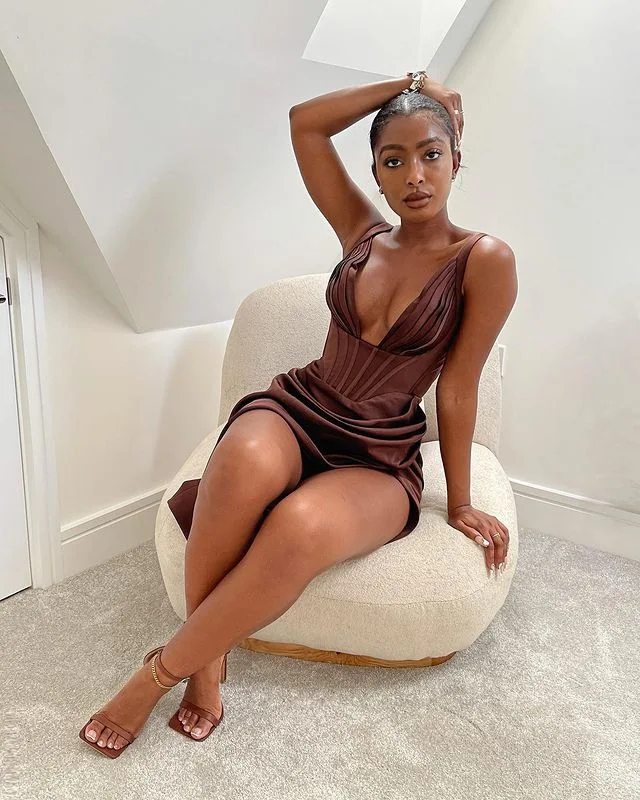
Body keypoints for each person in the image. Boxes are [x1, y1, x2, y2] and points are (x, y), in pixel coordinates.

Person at [79, 71, 518, 757]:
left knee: (299, 525)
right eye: (393, 160)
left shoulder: (484, 260)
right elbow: (304, 123)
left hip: (378, 453)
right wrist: (411, 81)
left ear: (456, 158)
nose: (414, 175)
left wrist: (459, 501)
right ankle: (209, 664)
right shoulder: (363, 234)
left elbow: (457, 388)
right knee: (240, 459)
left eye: (430, 154)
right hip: (299, 409)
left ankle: (161, 671)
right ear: (375, 175)